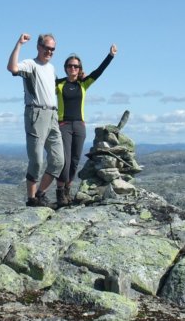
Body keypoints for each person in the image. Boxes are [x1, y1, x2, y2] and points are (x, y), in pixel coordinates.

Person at [54, 44, 117, 206]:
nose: (73, 68)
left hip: (80, 126)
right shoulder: (58, 84)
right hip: (64, 125)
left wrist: (110, 56)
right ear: (65, 68)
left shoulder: (83, 84)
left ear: (79, 68)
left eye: (76, 66)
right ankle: (60, 192)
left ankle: (67, 190)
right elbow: (41, 84)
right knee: (64, 161)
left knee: (75, 160)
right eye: (70, 65)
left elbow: (98, 72)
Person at [7, 32, 64, 207]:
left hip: (52, 115)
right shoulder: (31, 64)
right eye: (47, 48)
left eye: (53, 49)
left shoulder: (52, 68)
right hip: (36, 114)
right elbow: (12, 68)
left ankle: (40, 194)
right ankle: (31, 200)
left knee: (58, 160)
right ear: (39, 47)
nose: (50, 52)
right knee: (37, 160)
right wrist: (19, 44)